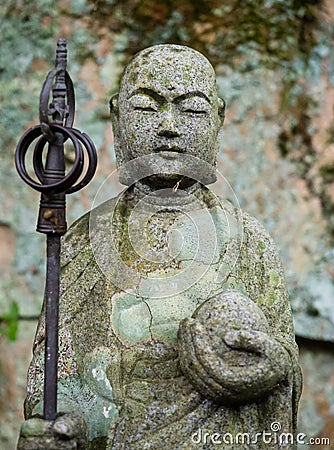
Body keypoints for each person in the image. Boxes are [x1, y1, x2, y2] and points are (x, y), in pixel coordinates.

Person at [18, 44, 302, 450]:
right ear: (117, 118)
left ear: (219, 120)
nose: (169, 126)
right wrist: (62, 428)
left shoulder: (249, 242)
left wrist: (265, 369)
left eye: (192, 110)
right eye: (147, 109)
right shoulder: (83, 243)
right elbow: (54, 380)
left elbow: (286, 368)